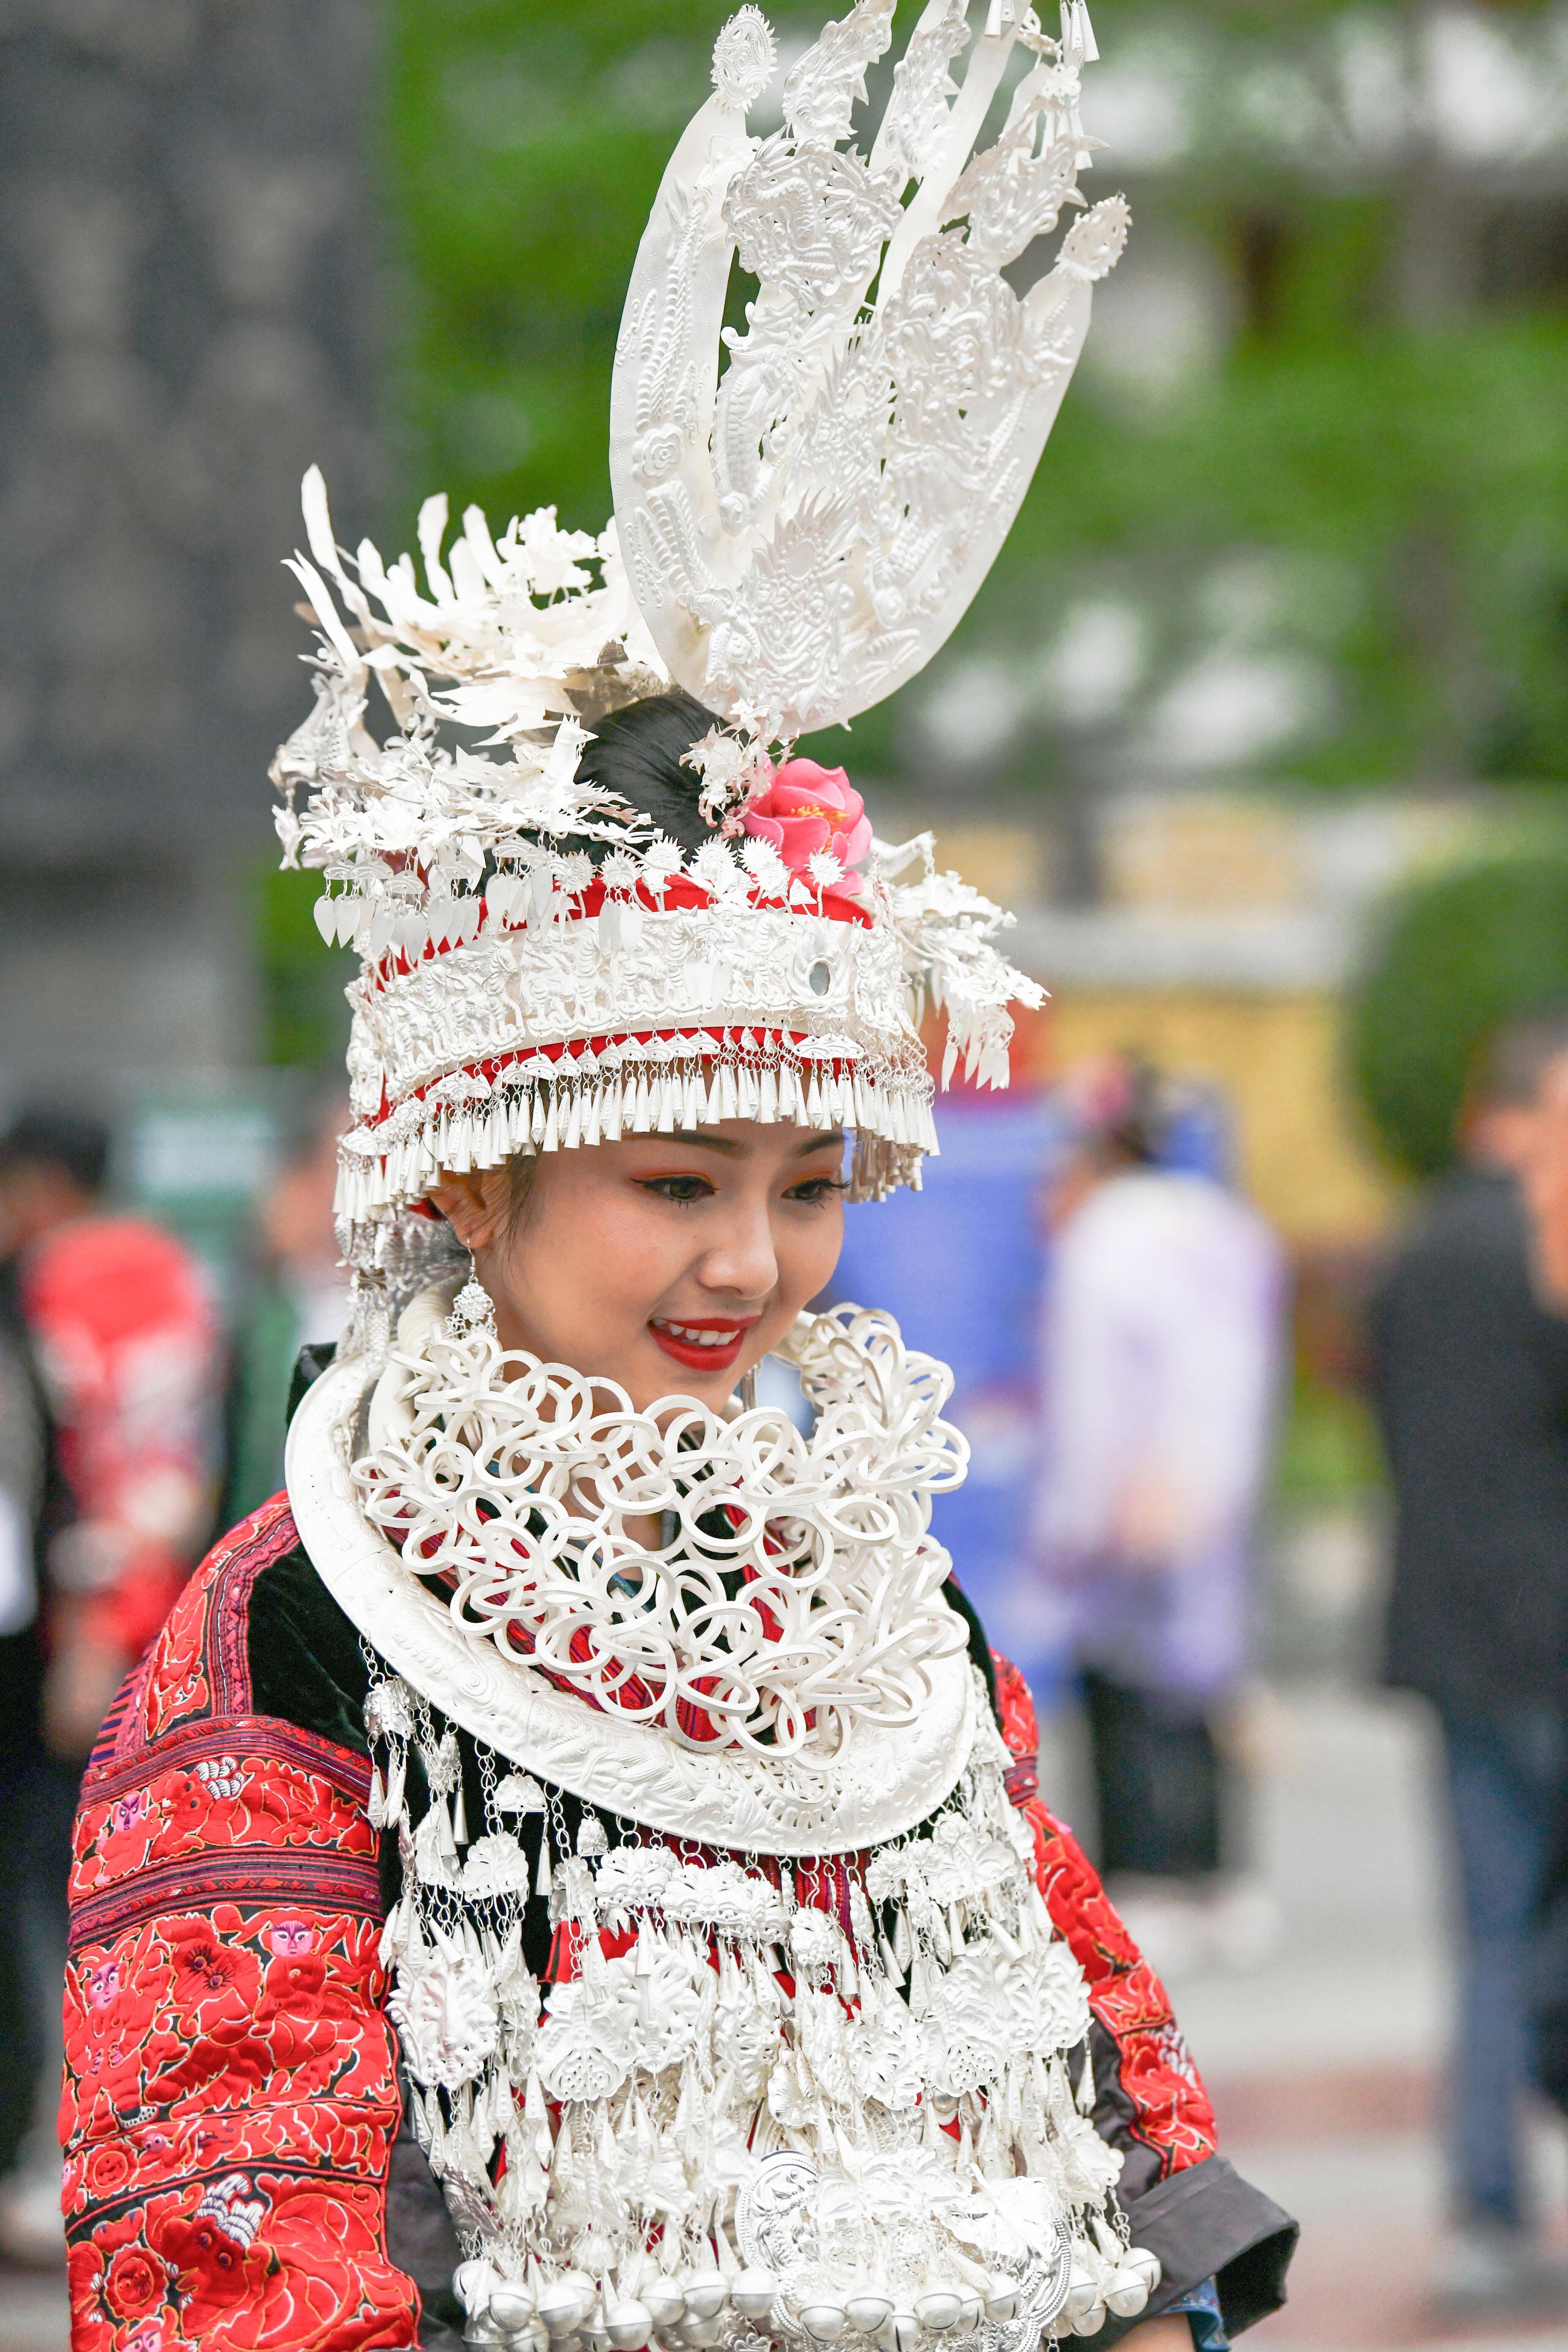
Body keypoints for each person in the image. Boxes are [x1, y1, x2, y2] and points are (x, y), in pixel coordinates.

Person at [61, 11, 1295, 2350]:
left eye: (809, 1180)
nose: (753, 1260)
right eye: (670, 1181)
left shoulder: (863, 1591)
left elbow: (1108, 2092)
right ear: (468, 1186)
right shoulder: (298, 1639)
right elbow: (230, 2249)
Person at [1373, 1008, 1568, 2309]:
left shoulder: (1404, 1253)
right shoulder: (1540, 1249)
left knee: (1489, 1933)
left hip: (1446, 1640)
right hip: (1549, 1635)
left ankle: (1482, 2211)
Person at [0, 1107, 218, 2264]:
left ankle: (67, 2160)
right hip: (164, 1629)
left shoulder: (68, 1283)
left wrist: (92, 1627)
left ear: (35, 1188)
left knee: (56, 1902)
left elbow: (111, 1464)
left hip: (92, 1640)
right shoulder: (172, 1274)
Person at [1032, 1061, 1284, 1977]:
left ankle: (1146, 1872)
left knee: (1124, 1689)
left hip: (1134, 1493)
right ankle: (1221, 1872)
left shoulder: (1102, 1241)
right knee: (1206, 1681)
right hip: (1221, 1488)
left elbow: (1095, 1399)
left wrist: (1077, 1514)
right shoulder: (1227, 1226)